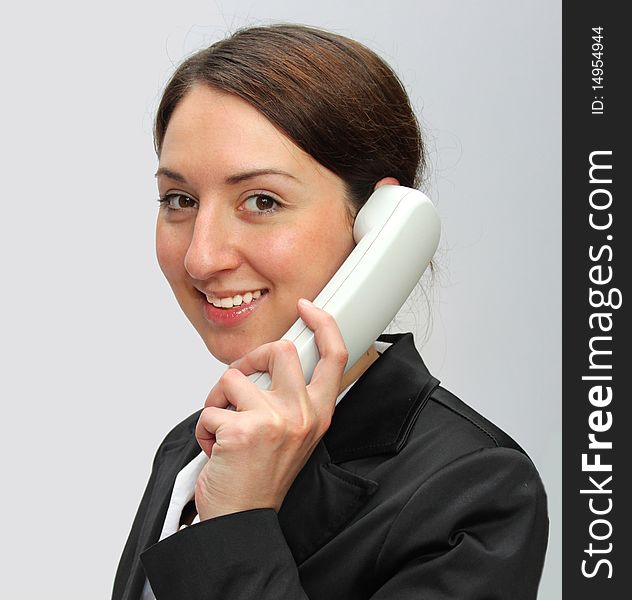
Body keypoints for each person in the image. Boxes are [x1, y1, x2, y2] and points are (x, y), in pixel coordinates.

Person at [112, 24, 548, 600]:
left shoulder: (473, 491)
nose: (201, 256)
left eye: (261, 201)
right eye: (180, 200)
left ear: (382, 226)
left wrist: (235, 521)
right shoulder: (188, 449)